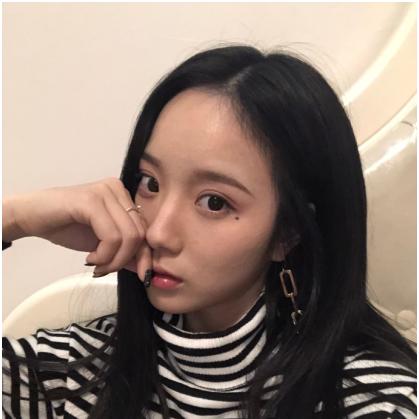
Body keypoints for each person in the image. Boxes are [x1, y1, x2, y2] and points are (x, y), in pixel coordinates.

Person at [2, 44, 416, 419]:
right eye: (150, 183)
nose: (159, 232)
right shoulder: (71, 372)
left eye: (214, 202)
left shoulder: (373, 402)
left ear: (287, 233)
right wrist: (16, 218)